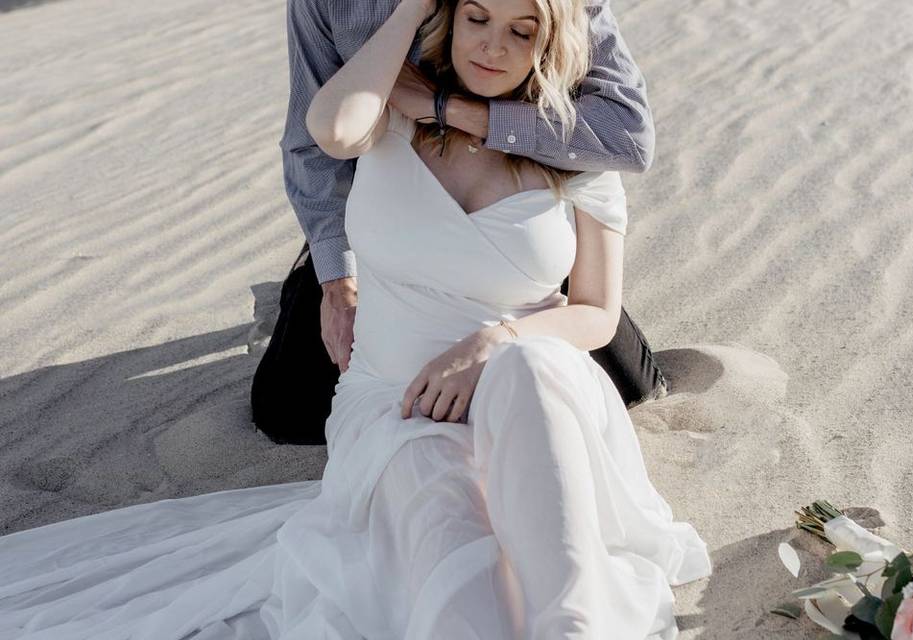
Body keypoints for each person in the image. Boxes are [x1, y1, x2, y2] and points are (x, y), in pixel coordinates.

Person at [0, 0, 712, 638]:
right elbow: (325, 133)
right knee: (429, 527)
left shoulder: (574, 147)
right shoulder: (388, 107)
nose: (494, 45)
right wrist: (412, 14)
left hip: (528, 364)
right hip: (398, 398)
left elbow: (596, 297)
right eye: (476, 19)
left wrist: (498, 339)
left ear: (547, 44)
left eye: (521, 31)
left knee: (543, 369)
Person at [275, 0, 668, 414]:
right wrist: (337, 277)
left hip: (522, 211)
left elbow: (629, 136)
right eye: (476, 19)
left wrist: (449, 110)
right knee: (288, 409)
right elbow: (312, 141)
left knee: (625, 390)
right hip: (388, 217)